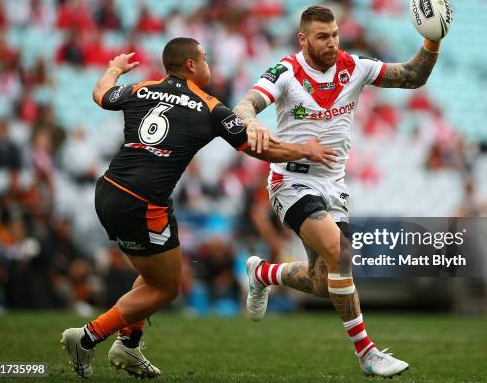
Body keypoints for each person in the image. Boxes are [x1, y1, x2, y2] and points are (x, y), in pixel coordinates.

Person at [60, 37, 337, 378]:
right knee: (166, 288)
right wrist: (305, 150)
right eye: (204, 58)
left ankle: (129, 345)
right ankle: (88, 338)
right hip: (144, 202)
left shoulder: (141, 88)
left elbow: (101, 94)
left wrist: (115, 68)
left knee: (152, 278)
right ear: (191, 65)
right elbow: (262, 150)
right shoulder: (210, 107)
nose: (209, 65)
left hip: (110, 189)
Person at [233, 5, 450, 377]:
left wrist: (432, 38)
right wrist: (251, 122)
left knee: (323, 282)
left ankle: (263, 274)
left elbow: (413, 76)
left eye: (334, 34)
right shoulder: (285, 72)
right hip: (291, 181)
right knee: (341, 253)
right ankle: (368, 354)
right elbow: (245, 105)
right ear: (303, 39)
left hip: (334, 185)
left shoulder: (356, 67)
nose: (332, 42)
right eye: (322, 36)